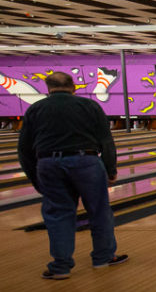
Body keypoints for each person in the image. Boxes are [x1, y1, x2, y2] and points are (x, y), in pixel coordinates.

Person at [17, 71, 127, 280]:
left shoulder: (35, 109)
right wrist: (110, 170)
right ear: (74, 86)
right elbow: (106, 141)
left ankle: (61, 267)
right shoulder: (89, 106)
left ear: (47, 89)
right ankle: (103, 258)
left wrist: (35, 177)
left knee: (58, 214)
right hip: (86, 161)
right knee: (99, 210)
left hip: (48, 163)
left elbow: (24, 150)